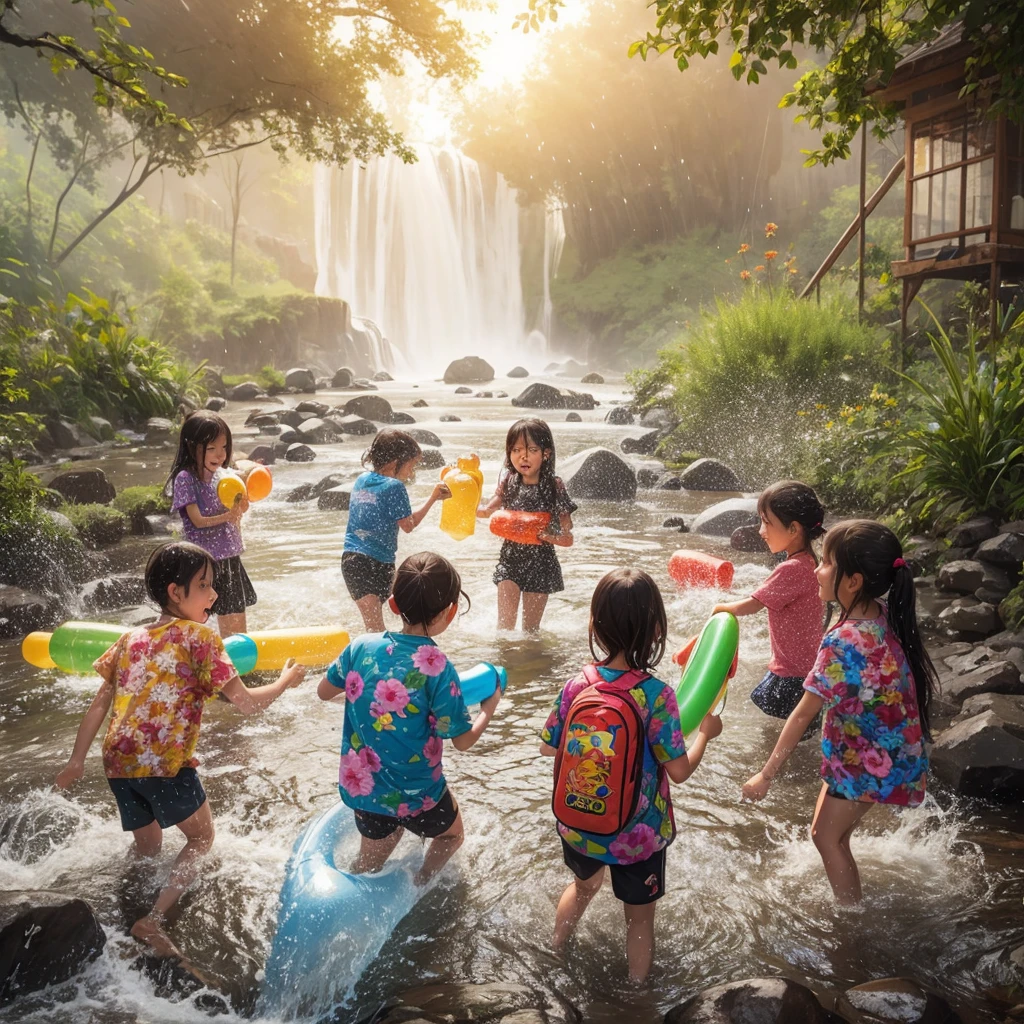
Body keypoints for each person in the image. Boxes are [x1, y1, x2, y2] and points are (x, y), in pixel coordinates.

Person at [55, 541, 305, 959]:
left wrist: (75, 761)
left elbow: (100, 701)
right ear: (176, 592)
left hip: (117, 760)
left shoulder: (131, 637)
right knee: (202, 837)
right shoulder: (201, 637)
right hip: (165, 761)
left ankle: (123, 904)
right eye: (204, 585)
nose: (214, 595)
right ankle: (150, 920)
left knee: (148, 846)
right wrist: (285, 681)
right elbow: (246, 704)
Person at [540, 568, 721, 982]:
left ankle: (555, 951)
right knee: (639, 920)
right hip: (636, 838)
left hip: (580, 823)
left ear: (594, 624)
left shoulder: (577, 684)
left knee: (584, 888)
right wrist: (706, 736)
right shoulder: (656, 696)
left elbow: (548, 745)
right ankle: (638, 994)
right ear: (656, 629)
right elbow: (679, 772)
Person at [742, 520, 936, 905]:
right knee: (830, 833)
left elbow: (801, 714)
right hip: (885, 751)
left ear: (853, 582)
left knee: (824, 837)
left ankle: (851, 918)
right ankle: (850, 897)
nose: (817, 569)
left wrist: (766, 774)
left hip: (866, 760)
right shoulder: (881, 613)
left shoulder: (843, 639)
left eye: (827, 562)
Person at [318, 551, 500, 885]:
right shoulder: (439, 667)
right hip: (420, 796)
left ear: (393, 604)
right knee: (451, 836)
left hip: (367, 790)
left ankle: (357, 889)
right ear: (450, 612)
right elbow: (462, 740)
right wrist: (490, 706)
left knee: (368, 863)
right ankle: (422, 880)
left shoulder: (361, 647)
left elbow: (323, 691)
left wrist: (368, 695)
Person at [713, 481, 826, 723]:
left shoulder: (791, 568)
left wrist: (721, 608)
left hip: (792, 676)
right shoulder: (809, 561)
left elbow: (753, 604)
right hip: (805, 672)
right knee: (795, 736)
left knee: (782, 737)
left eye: (766, 522)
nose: (761, 531)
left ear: (793, 529)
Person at [343, 429, 450, 633]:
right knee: (404, 622)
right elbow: (408, 525)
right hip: (374, 564)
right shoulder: (394, 487)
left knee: (374, 627)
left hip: (353, 561)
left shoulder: (362, 480)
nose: (411, 472)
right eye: (411, 465)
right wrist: (433, 498)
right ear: (395, 462)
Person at [477, 418, 576, 632]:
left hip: (541, 564)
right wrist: (462, 500)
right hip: (509, 560)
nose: (523, 456)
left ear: (546, 453)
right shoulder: (509, 482)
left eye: (531, 450)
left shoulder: (554, 486)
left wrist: (548, 536)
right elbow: (486, 511)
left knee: (529, 632)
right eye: (516, 450)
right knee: (504, 629)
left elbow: (568, 537)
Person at [168, 410, 253, 637]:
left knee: (236, 618)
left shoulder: (223, 476)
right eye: (212, 448)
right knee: (196, 622)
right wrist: (228, 516)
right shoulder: (185, 478)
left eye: (224, 447)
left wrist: (241, 507)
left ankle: (238, 662)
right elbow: (197, 521)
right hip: (203, 564)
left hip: (230, 558)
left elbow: (236, 515)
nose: (220, 455)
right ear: (192, 446)